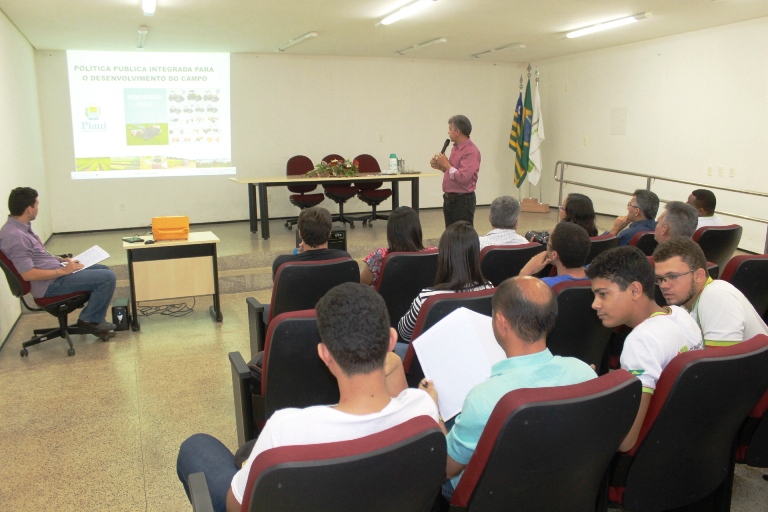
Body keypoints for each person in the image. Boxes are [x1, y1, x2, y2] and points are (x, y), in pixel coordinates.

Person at [176, 283, 438, 512]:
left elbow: (237, 507)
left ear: (325, 354)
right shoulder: (424, 409)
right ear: (391, 340)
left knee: (195, 446)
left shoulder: (285, 429)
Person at [420, 276, 597, 500]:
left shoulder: (483, 398)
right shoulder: (584, 373)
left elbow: (446, 468)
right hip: (560, 488)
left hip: (492, 498)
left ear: (501, 322)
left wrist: (433, 411)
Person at [587, 246, 703, 451]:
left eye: (603, 294)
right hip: (685, 436)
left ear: (635, 290)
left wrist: (591, 395)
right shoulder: (681, 314)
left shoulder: (641, 341)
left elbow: (626, 442)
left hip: (652, 450)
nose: (595, 304)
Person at [0, 187, 116, 333]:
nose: (37, 209)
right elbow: (27, 274)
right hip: (49, 284)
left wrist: (61, 260)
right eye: (37, 205)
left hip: (54, 274)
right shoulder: (16, 236)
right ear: (29, 209)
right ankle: (90, 320)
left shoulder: (19, 228)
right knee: (107, 277)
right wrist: (63, 271)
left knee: (102, 269)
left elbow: (38, 255)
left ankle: (93, 316)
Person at [653, 237, 768, 346]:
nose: (663, 285)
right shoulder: (687, 306)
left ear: (698, 275)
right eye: (659, 278)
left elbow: (721, 359)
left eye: (672, 276)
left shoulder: (716, 297)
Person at [398, 221, 493, 343]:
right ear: (475, 254)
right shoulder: (489, 288)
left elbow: (405, 333)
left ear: (444, 255)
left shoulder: (427, 297)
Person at [361, 206, 434, 287]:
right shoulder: (434, 254)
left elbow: (359, 284)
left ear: (391, 231)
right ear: (417, 229)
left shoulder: (379, 257)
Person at [271, 206, 350, 279]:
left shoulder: (282, 264)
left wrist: (298, 256)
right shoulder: (345, 259)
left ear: (299, 233)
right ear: (329, 233)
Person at [430, 115, 481, 228]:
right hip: (449, 198)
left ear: (457, 132)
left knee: (462, 233)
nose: (448, 132)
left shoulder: (471, 151)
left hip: (462, 201)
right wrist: (440, 166)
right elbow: (453, 172)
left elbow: (463, 177)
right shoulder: (455, 148)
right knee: (450, 232)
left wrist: (446, 164)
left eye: (450, 129)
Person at [519, 222, 591, 286]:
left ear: (554, 255)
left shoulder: (544, 285)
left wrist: (524, 273)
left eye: (548, 242)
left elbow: (516, 294)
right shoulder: (596, 275)